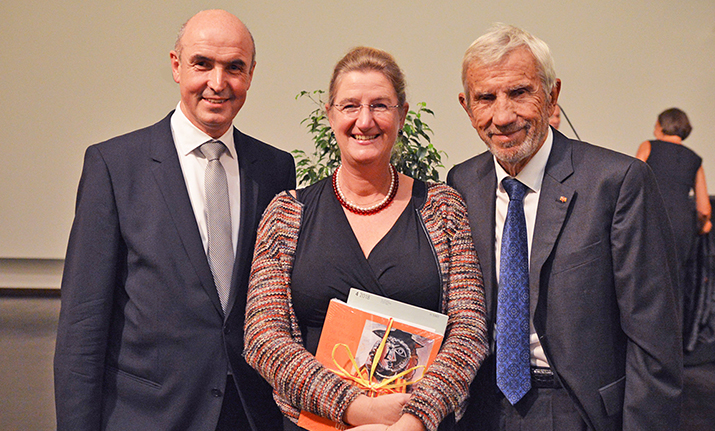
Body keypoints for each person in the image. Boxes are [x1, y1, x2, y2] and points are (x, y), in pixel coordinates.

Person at [53, 10, 295, 431]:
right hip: (148, 415)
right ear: (176, 65)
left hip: (250, 414)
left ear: (251, 74)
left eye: (234, 67)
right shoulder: (114, 165)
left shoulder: (274, 168)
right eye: (202, 63)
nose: (218, 82)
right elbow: (83, 321)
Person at [447, 24, 682, 431]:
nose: (502, 116)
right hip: (480, 408)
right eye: (486, 98)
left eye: (520, 92)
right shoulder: (462, 183)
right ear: (467, 107)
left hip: (576, 409)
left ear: (552, 95)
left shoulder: (617, 182)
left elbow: (654, 338)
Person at [243, 46, 488, 431]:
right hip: (316, 424)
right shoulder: (287, 214)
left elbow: (469, 330)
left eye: (380, 105)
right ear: (330, 115)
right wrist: (355, 409)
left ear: (402, 115)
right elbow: (263, 337)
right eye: (350, 106)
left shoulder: (443, 209)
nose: (365, 120)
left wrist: (413, 419)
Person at [636, 108, 711, 272]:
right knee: (674, 276)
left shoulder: (648, 146)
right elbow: (704, 209)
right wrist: (703, 225)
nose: (654, 130)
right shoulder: (695, 159)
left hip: (650, 218)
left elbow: (632, 182)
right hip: (682, 226)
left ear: (662, 126)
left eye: (655, 125)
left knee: (645, 272)